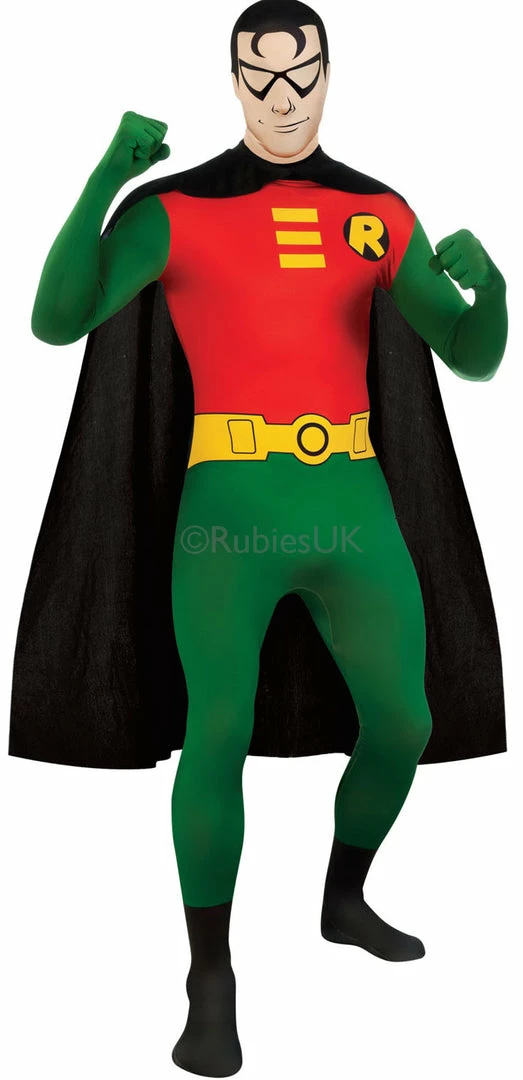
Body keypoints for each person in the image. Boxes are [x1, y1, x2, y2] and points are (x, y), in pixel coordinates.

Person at [10, 2, 508, 1076]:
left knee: (405, 720)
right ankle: (209, 976)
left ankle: (343, 898)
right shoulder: (176, 209)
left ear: (330, 71)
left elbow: (468, 352)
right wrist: (104, 176)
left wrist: (496, 291)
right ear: (232, 79)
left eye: (301, 72)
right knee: (217, 730)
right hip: (227, 515)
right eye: (259, 74)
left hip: (354, 504)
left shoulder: (377, 211)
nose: (283, 97)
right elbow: (56, 320)